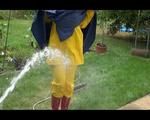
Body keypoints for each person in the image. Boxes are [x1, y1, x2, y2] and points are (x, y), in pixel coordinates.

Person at [31, 10, 97, 110]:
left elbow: (90, 11)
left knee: (68, 85)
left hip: (74, 47)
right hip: (57, 47)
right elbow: (46, 17)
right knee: (59, 83)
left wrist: (79, 21)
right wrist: (57, 17)